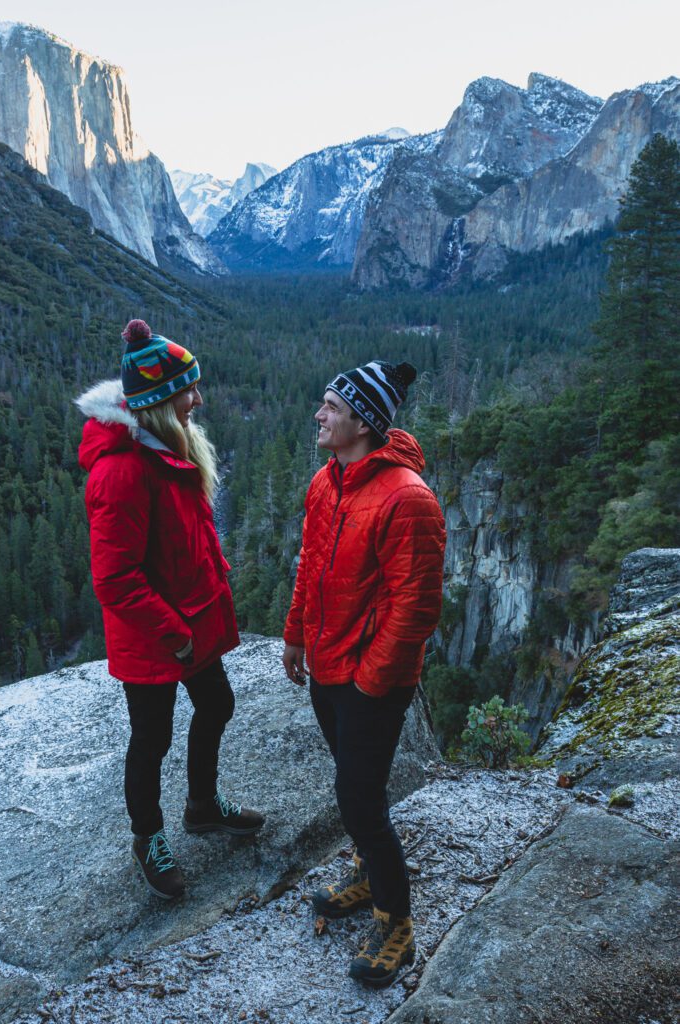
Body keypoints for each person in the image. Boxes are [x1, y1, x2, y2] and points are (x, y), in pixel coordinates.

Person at [77, 318, 263, 901]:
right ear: (159, 402)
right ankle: (148, 837)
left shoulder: (170, 446)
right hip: (154, 634)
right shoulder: (122, 472)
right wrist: (174, 634)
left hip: (190, 621)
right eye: (189, 390)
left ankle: (202, 806)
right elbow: (114, 579)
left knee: (218, 702)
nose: (198, 400)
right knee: (151, 738)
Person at [282, 359, 445, 987]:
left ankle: (396, 921)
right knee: (354, 786)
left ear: (363, 422)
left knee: (360, 797)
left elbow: (416, 609)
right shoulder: (329, 482)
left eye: (331, 407)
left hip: (371, 679)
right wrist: (297, 634)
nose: (319, 415)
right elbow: (311, 564)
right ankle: (368, 872)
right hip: (327, 665)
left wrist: (371, 681)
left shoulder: (407, 499)